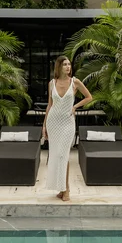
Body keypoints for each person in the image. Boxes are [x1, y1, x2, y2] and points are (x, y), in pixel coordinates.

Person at [41, 55, 93, 202]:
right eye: (64, 64)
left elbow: (89, 97)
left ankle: (67, 189)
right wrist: (44, 125)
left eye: (69, 64)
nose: (68, 67)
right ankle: (61, 188)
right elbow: (50, 105)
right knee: (56, 155)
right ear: (58, 67)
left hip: (67, 123)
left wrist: (75, 106)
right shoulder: (52, 83)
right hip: (53, 122)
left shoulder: (74, 82)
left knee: (63, 155)